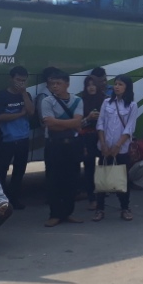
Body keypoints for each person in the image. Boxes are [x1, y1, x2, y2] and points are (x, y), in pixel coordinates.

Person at [41, 69, 84, 227]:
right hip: (54, 145)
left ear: (67, 84)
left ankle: (67, 213)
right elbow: (50, 125)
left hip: (72, 145)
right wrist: (70, 124)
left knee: (71, 180)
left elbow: (78, 122)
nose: (55, 86)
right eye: (52, 83)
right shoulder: (47, 101)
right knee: (54, 180)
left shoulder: (77, 100)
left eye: (58, 83)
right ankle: (55, 214)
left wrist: (58, 122)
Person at [96, 74, 139, 221]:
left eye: (120, 84)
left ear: (127, 87)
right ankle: (100, 209)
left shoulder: (132, 105)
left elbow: (129, 128)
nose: (117, 87)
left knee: (122, 180)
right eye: (115, 84)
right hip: (105, 148)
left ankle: (125, 208)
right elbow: (100, 123)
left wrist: (117, 146)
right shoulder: (106, 103)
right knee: (102, 178)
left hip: (121, 150)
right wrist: (103, 144)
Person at [0, 66, 34, 209]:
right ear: (11, 79)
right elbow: (0, 117)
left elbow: (31, 112)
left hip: (23, 138)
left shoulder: (26, 95)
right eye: (18, 80)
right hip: (7, 139)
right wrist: (19, 114)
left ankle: (14, 199)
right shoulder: (1, 95)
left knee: (19, 171)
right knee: (1, 171)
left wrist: (24, 94)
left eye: (23, 80)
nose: (20, 83)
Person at [80, 74, 106, 214]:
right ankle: (92, 198)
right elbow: (78, 124)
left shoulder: (105, 100)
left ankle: (102, 196)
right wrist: (88, 118)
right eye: (88, 85)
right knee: (89, 168)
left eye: (93, 84)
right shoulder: (81, 101)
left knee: (103, 167)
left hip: (102, 137)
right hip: (87, 137)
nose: (91, 87)